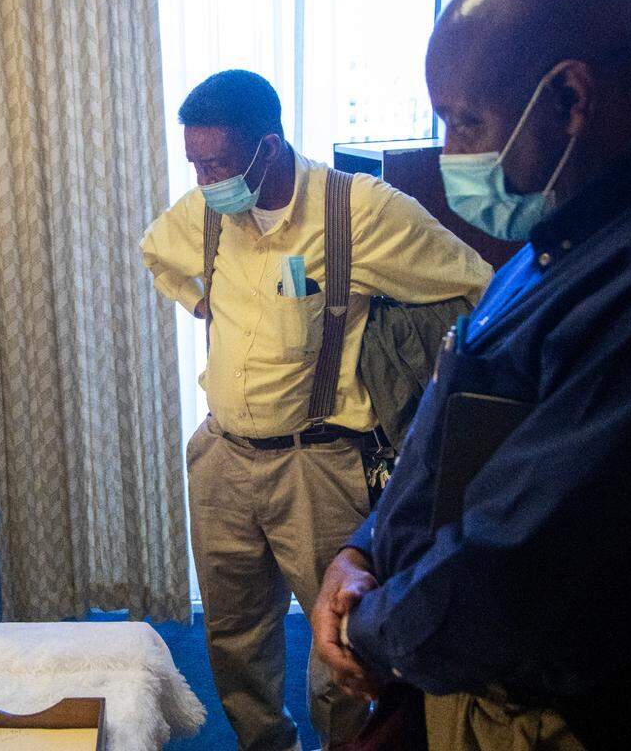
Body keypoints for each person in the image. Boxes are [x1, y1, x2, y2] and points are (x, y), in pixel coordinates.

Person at [311, 0, 631, 748]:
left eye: (466, 121)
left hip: (538, 706)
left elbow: (517, 566)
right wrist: (361, 548)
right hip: (442, 658)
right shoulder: (549, 244)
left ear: (569, 99)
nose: (449, 151)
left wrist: (361, 626)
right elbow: (446, 441)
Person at [139, 69, 492, 750]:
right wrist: (201, 302)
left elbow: (476, 284)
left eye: (217, 163)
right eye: (195, 162)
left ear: (268, 149)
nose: (205, 179)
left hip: (320, 465)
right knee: (234, 635)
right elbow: (156, 252)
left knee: (340, 640)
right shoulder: (207, 213)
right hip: (221, 457)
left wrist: (410, 367)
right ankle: (264, 743)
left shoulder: (357, 210)